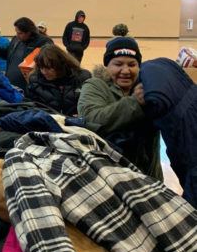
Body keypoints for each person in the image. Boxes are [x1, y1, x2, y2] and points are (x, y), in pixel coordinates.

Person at [78, 37, 162, 180]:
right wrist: (135, 102)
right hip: (109, 178)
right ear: (107, 65)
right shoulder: (95, 85)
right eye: (118, 64)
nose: (125, 70)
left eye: (132, 64)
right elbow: (91, 119)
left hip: (149, 176)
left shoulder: (149, 89)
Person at [27, 44, 91, 116]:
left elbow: (91, 105)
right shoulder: (35, 81)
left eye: (48, 68)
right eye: (41, 68)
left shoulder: (82, 77)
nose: (44, 72)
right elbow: (32, 109)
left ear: (60, 64)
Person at [0, 17, 51, 90]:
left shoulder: (43, 42)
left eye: (20, 33)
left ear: (29, 32)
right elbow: (7, 55)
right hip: (11, 85)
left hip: (29, 87)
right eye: (16, 32)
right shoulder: (16, 39)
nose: (17, 35)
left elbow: (47, 63)